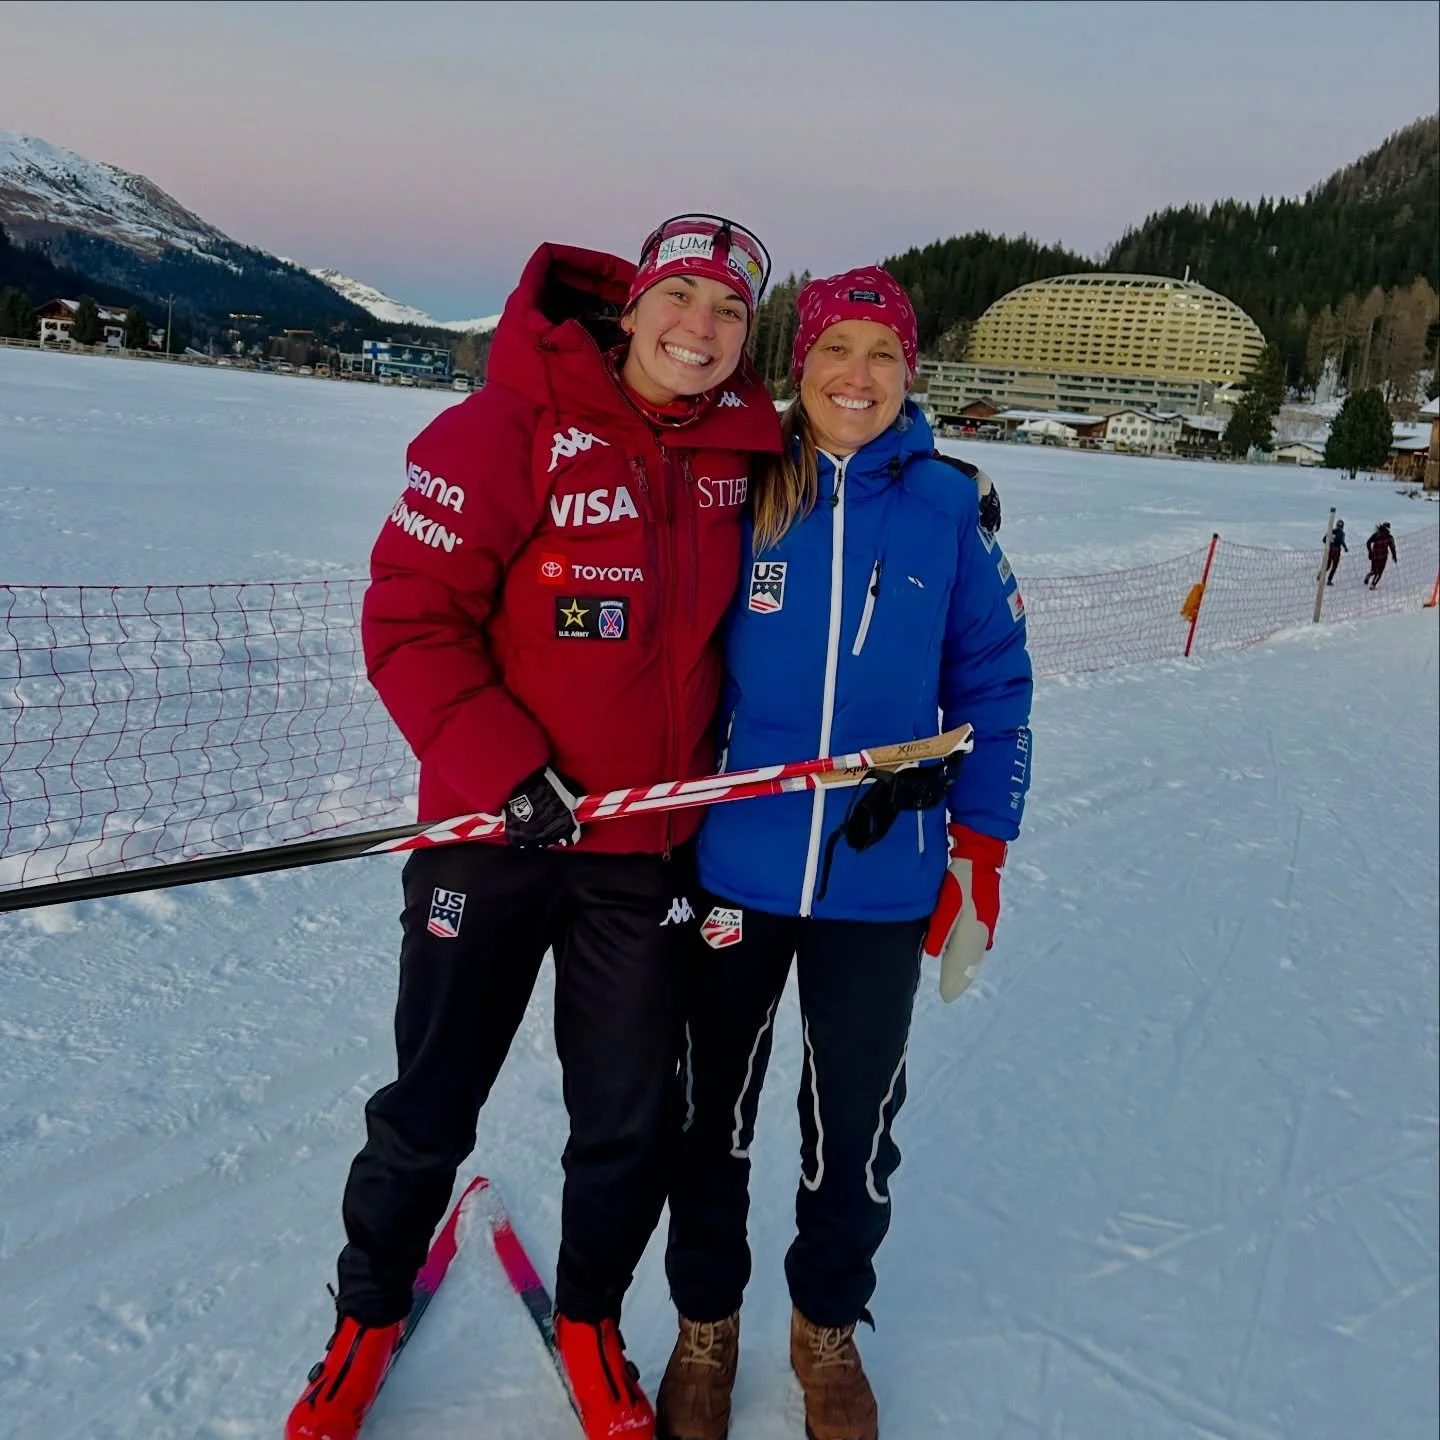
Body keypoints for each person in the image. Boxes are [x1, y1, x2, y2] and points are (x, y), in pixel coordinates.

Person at [284, 215, 782, 1440]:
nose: (700, 330)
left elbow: (856, 474)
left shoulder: (747, 453)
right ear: (632, 308)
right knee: (432, 1101)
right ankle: (364, 1315)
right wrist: (505, 769)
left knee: (625, 1118)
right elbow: (408, 618)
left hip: (641, 854)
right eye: (681, 300)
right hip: (491, 840)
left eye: (728, 314)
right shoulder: (505, 427)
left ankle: (591, 1317)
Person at [655, 269, 1033, 1440]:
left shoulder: (948, 508)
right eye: (835, 350)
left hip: (882, 871)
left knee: (854, 1120)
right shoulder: (741, 486)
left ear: (909, 372)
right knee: (708, 1111)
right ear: (799, 364)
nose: (857, 375)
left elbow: (997, 689)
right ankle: (705, 1324)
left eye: (882, 352)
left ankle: (825, 1324)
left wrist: (981, 854)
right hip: (738, 864)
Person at [1365, 521, 1397, 589]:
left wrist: (1370, 551)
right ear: (1388, 529)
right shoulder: (1389, 537)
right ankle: (1373, 585)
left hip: (1374, 555)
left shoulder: (1376, 534)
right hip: (1383, 556)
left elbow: (1368, 542)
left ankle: (1368, 575)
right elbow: (1392, 547)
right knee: (1379, 572)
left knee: (1373, 570)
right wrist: (1394, 556)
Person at [1325, 518, 1347, 585]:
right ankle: (1329, 580)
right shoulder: (1342, 533)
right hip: (1336, 550)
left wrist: (1330, 542)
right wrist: (1345, 548)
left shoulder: (1331, 531)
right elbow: (1341, 541)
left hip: (1330, 549)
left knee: (1327, 565)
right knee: (1334, 566)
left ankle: (1321, 574)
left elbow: (1324, 540)